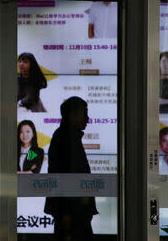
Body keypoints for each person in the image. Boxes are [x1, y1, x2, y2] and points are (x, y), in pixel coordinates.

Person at [44, 97, 98, 240]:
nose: (87, 118)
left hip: (73, 211)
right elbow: (64, 177)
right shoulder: (66, 138)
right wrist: (66, 212)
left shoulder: (66, 136)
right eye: (84, 113)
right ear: (72, 115)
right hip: (73, 212)